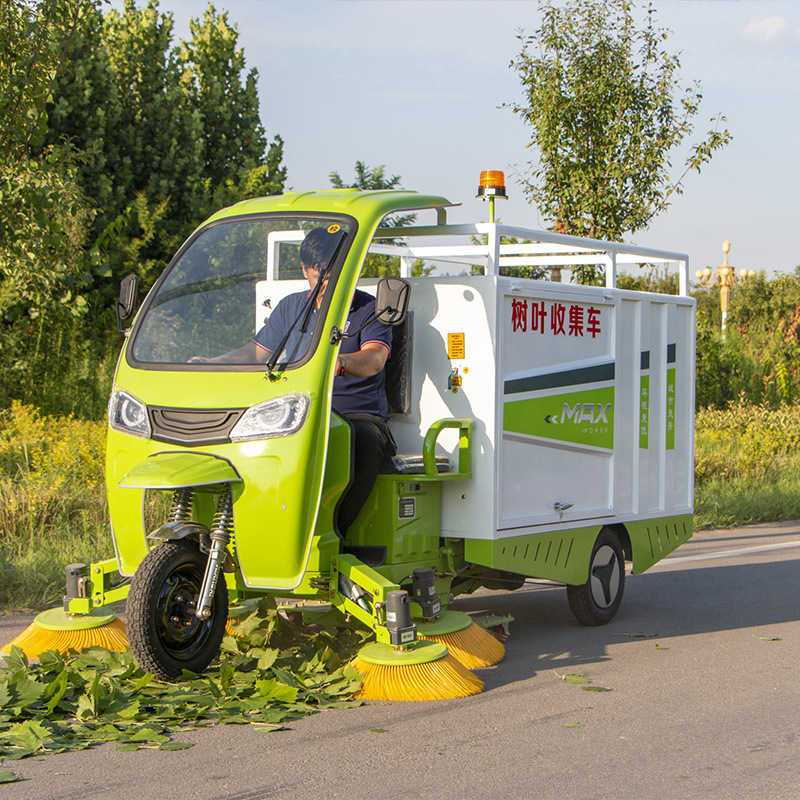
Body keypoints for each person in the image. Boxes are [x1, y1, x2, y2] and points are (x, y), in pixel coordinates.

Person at [192, 227, 396, 535]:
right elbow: (255, 352)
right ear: (304, 270)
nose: (326, 286)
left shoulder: (370, 309)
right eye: (319, 278)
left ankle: (334, 534)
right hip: (299, 410)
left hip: (357, 414)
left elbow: (375, 358)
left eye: (334, 277)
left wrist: (341, 362)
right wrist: (212, 363)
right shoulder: (291, 306)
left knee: (361, 440)